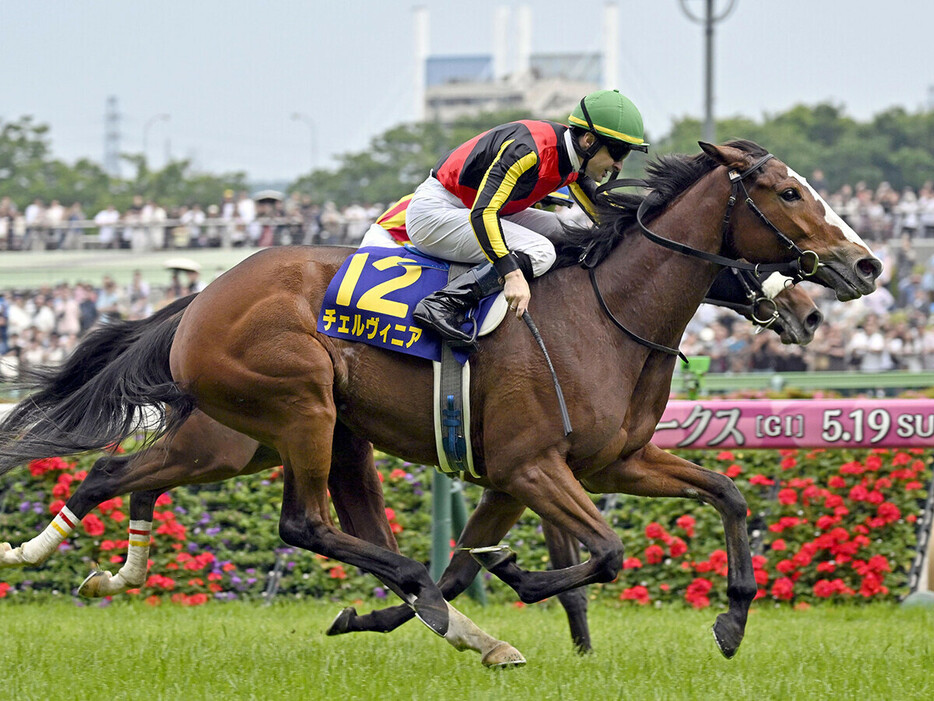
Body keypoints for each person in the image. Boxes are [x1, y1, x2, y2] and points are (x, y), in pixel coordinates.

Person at [408, 89, 648, 345]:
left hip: (473, 209)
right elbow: (482, 213)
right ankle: (444, 303)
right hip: (437, 213)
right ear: (589, 141)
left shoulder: (574, 159)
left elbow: (604, 218)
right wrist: (511, 275)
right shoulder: (528, 150)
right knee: (541, 251)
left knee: (567, 230)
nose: (619, 165)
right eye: (618, 153)